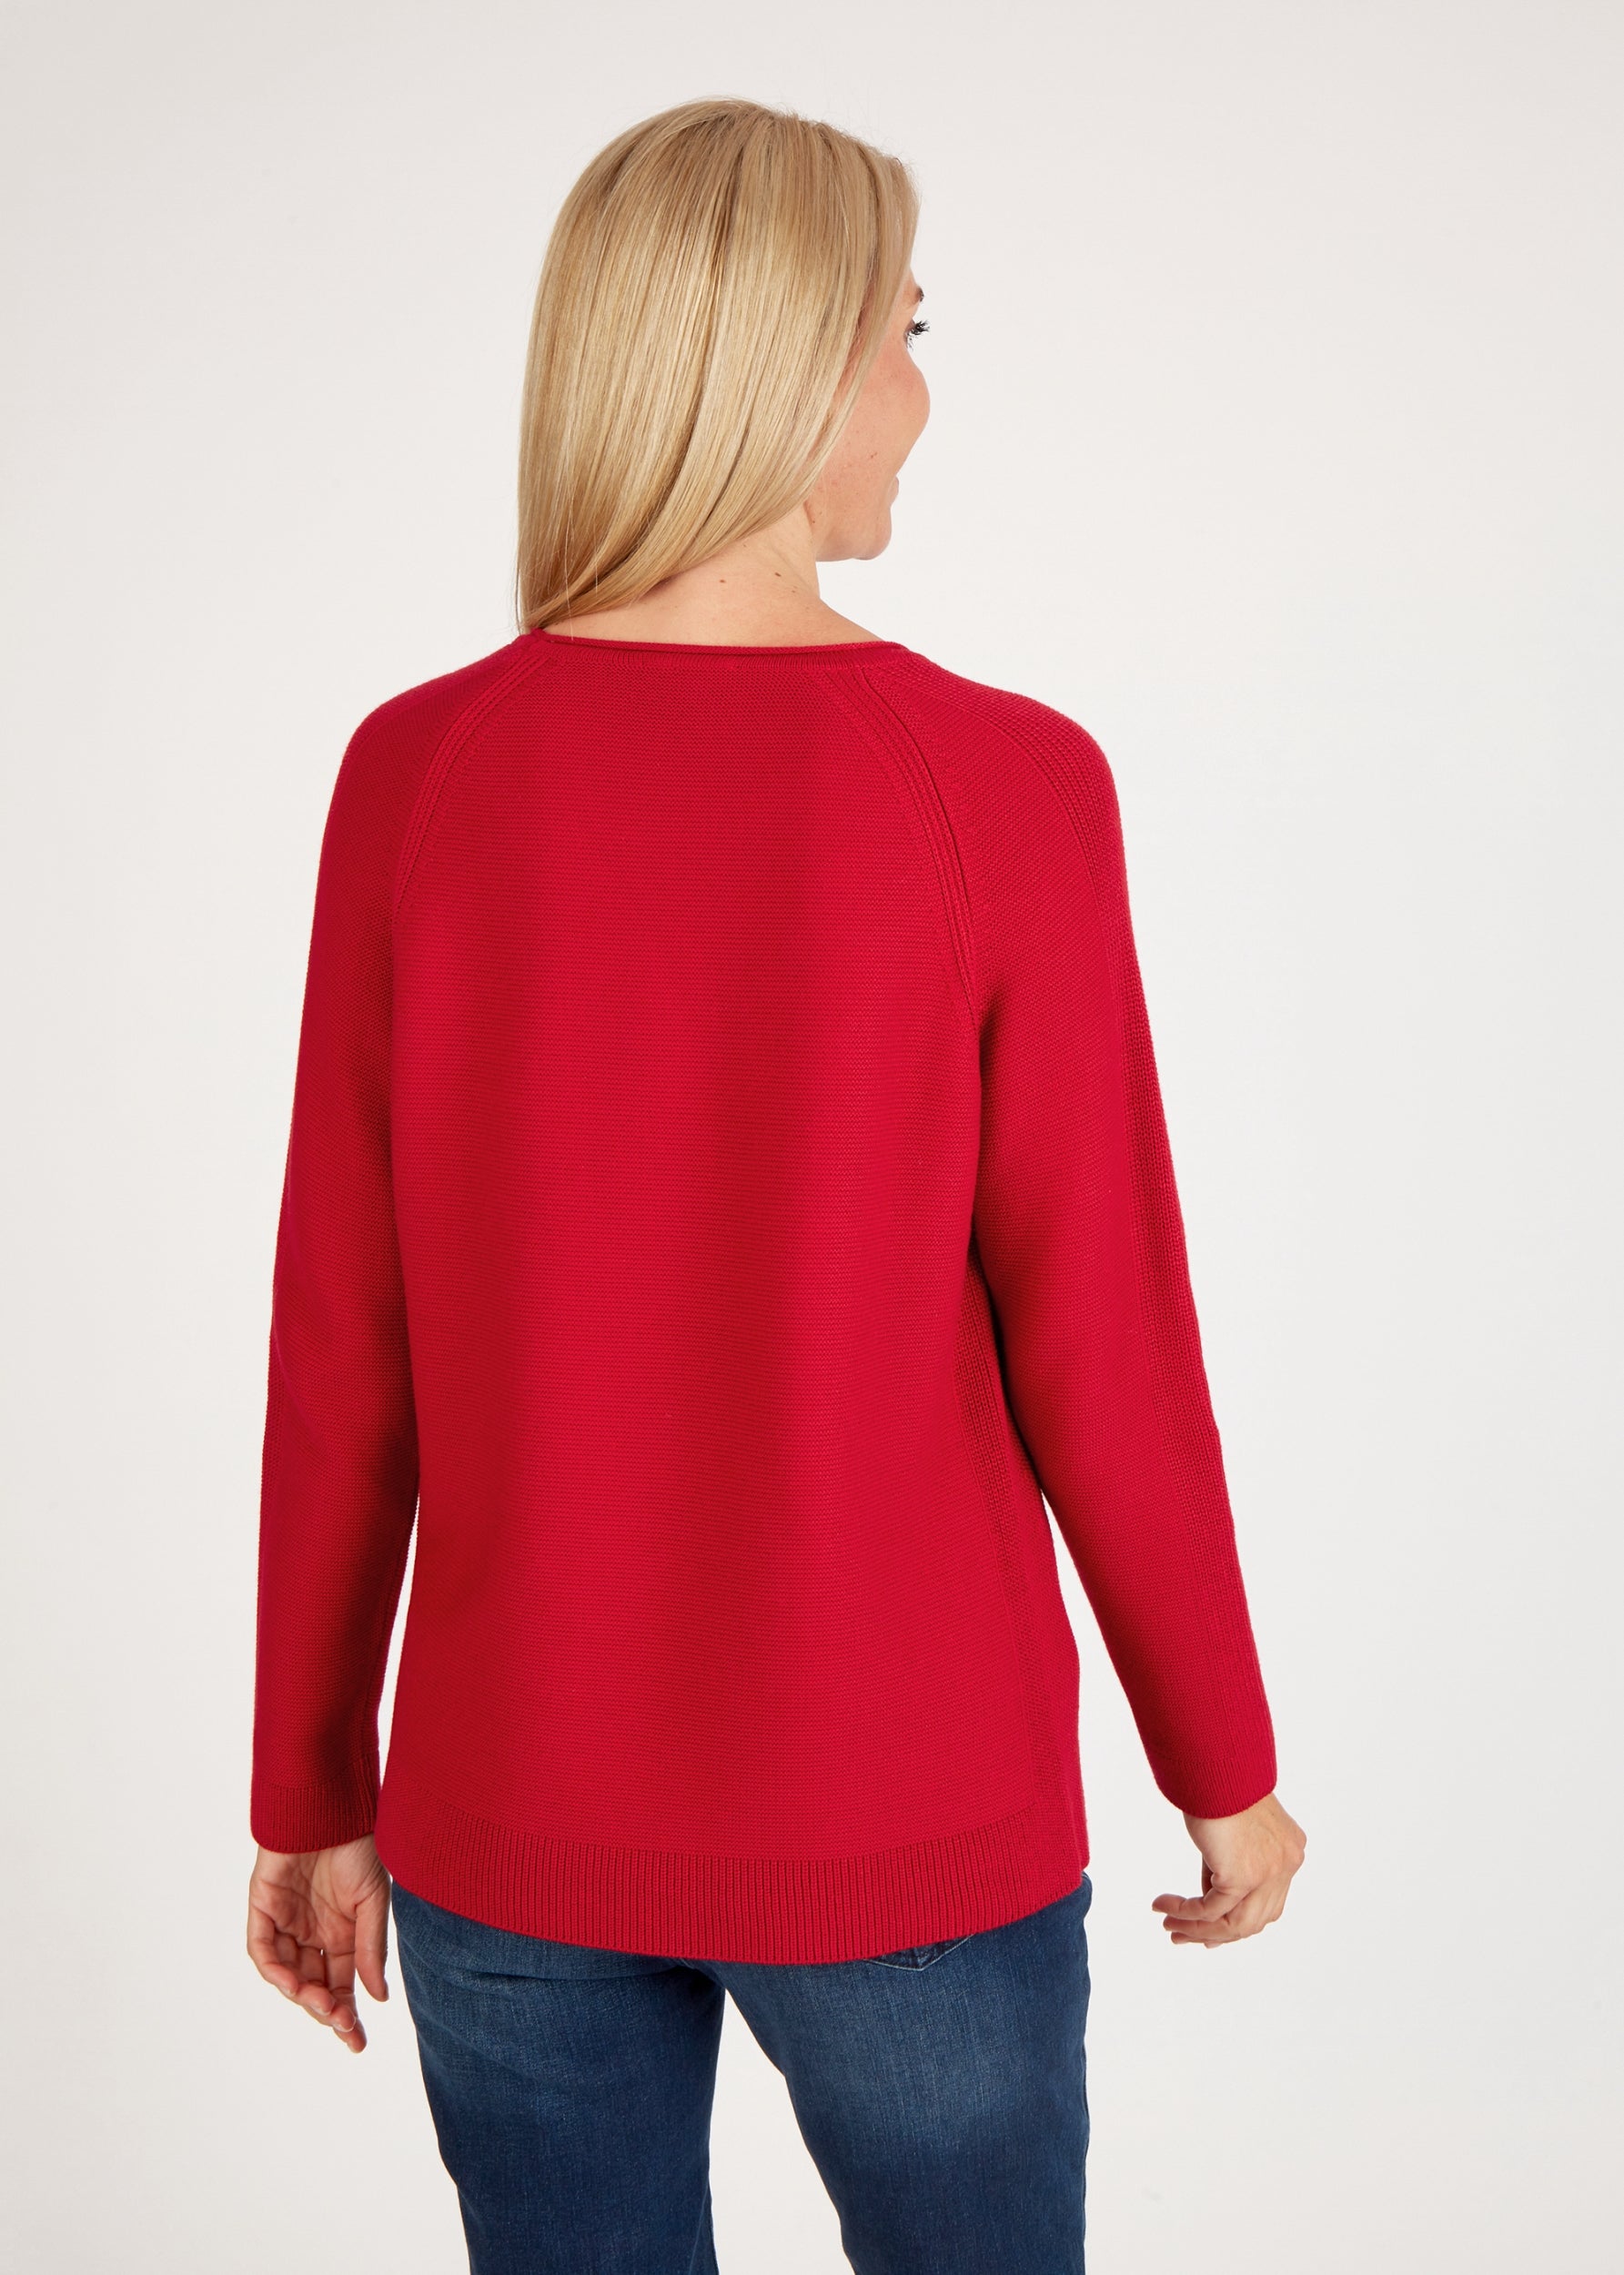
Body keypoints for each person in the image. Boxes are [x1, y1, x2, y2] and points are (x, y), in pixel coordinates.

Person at [245, 96, 1306, 2275]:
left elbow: (345, 1343)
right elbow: (1098, 1327)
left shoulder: (417, 773)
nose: (919, 394)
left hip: (504, 1815)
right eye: (903, 330)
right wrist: (1220, 1753)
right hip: (905, 1817)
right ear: (788, 366)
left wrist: (309, 1784)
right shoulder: (1002, 783)